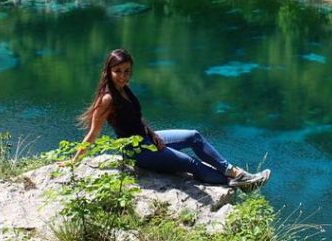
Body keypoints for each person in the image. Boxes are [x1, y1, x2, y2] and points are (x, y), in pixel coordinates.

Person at [72, 48, 271, 190]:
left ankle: (232, 172)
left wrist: (152, 133)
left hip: (149, 139)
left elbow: (136, 117)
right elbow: (93, 134)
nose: (123, 76)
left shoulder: (124, 89)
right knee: (191, 164)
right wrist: (73, 162)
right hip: (138, 152)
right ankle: (232, 182)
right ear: (108, 71)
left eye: (127, 71)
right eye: (118, 71)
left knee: (194, 136)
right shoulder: (107, 99)